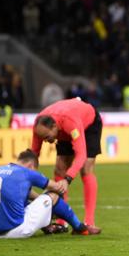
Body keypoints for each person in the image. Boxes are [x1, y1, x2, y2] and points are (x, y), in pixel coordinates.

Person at [31, 97, 102, 234]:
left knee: (86, 168)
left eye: (47, 137)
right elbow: (34, 154)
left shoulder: (70, 123)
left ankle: (89, 222)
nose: (45, 141)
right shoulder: (39, 126)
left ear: (54, 127)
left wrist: (68, 179)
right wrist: (26, 177)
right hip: (64, 130)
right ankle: (61, 222)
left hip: (88, 125)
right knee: (59, 168)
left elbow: (81, 155)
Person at [0, 150, 98, 238]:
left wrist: (44, 205)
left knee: (26, 201)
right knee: (54, 195)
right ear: (31, 165)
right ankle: (79, 227)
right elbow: (57, 188)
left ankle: (48, 226)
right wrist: (64, 182)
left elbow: (23, 193)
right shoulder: (27, 172)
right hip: (16, 231)